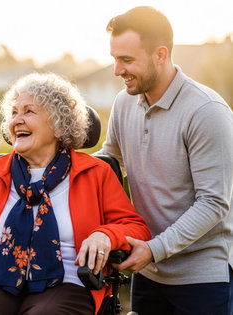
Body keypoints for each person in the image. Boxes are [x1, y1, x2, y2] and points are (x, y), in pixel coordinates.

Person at [0, 72, 151, 315]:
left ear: (59, 123)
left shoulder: (95, 173)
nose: (17, 120)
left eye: (28, 111)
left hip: (68, 280)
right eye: (13, 113)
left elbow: (133, 226)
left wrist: (105, 235)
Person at [98, 6, 233, 314]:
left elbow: (214, 202)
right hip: (148, 271)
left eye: (126, 60)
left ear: (160, 54)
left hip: (202, 280)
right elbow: (109, 161)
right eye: (114, 59)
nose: (117, 70)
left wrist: (153, 250)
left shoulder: (206, 112)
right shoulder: (124, 103)